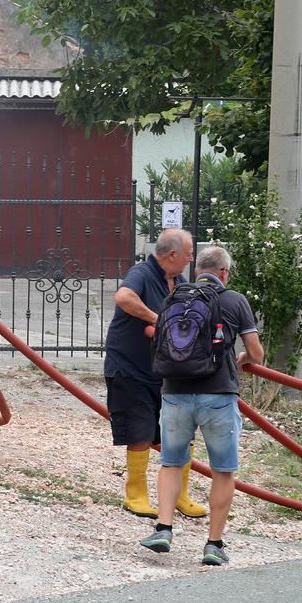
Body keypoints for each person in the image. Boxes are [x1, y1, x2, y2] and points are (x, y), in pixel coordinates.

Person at [138, 244, 264, 566]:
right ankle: (213, 544)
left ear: (197, 271)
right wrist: (243, 359)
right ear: (223, 273)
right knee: (223, 470)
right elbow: (256, 353)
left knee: (171, 462)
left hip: (174, 392)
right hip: (218, 396)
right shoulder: (234, 300)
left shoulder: (174, 297)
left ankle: (164, 529)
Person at [103, 228, 207, 519]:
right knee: (140, 430)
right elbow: (123, 297)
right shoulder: (143, 272)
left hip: (167, 372)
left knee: (181, 431)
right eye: (187, 254)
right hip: (129, 367)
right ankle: (135, 496)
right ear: (172, 254)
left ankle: (179, 495)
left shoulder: (181, 282)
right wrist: (156, 319)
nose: (190, 259)